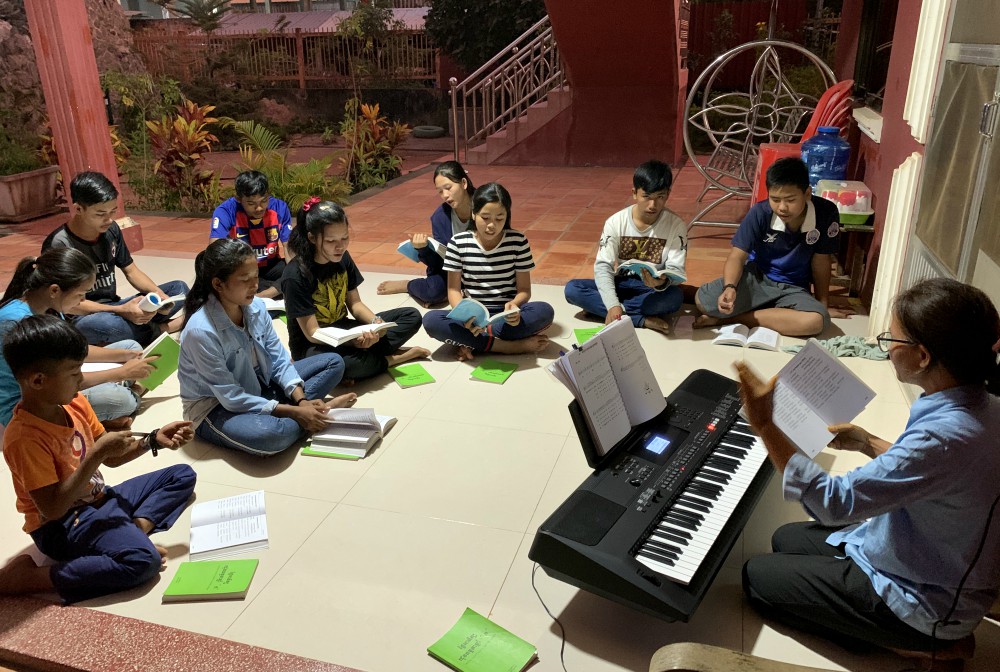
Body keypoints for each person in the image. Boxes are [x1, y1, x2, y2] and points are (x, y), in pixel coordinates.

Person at [736, 278, 1000, 660]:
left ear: (923, 356)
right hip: (928, 553)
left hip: (925, 600)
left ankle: (935, 645)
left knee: (756, 580)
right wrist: (866, 443)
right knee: (785, 540)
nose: (888, 349)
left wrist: (766, 425)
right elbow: (937, 474)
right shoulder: (983, 405)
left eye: (892, 340)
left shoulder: (943, 437)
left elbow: (833, 502)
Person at [0, 314, 196, 604]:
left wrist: (152, 440)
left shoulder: (74, 402)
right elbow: (52, 509)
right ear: (38, 380)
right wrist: (97, 453)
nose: (81, 380)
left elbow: (113, 459)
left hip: (99, 499)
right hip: (62, 525)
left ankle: (129, 536)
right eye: (74, 373)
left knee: (181, 475)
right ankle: (28, 578)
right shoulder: (23, 437)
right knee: (143, 564)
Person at [179, 239, 357, 456]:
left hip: (259, 383)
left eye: (256, 277)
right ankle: (322, 413)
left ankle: (308, 411)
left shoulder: (255, 306)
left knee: (333, 362)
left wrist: (300, 400)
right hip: (215, 407)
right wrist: (294, 411)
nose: (255, 286)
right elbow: (231, 396)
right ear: (218, 284)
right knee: (272, 437)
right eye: (245, 280)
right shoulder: (201, 331)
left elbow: (278, 358)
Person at [0, 248, 159, 432]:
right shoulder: (19, 323)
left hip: (58, 379)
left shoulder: (49, 307)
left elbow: (73, 352)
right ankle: (121, 399)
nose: (82, 300)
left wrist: (127, 354)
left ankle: (112, 403)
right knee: (122, 400)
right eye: (80, 294)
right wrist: (121, 372)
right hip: (27, 405)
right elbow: (57, 382)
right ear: (54, 290)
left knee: (132, 346)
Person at [695, 157, 850, 336]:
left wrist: (823, 305)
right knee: (703, 301)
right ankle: (773, 314)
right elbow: (737, 256)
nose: (782, 207)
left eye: (790, 200)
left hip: (794, 288)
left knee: (817, 321)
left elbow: (821, 261)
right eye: (775, 199)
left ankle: (732, 319)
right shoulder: (760, 213)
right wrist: (730, 287)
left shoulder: (826, 212)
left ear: (807, 193)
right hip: (758, 279)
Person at [281, 199, 428, 381]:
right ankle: (395, 358)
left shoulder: (343, 257)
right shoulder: (295, 274)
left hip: (344, 329)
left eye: (344, 238)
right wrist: (353, 342)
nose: (340, 246)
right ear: (312, 238)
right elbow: (312, 333)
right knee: (342, 364)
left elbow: (356, 304)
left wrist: (376, 324)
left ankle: (369, 357)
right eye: (331, 241)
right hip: (313, 345)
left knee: (411, 316)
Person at [42, 171, 189, 347]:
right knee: (107, 326)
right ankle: (162, 328)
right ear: (79, 209)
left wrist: (159, 296)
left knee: (178, 289)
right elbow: (67, 304)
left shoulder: (111, 230)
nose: (109, 219)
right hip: (81, 317)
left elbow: (131, 270)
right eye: (100, 214)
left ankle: (141, 327)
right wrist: (120, 311)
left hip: (114, 306)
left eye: (113, 211)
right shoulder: (59, 243)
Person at [422, 182, 554, 361]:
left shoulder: (518, 241)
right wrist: (466, 317)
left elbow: (524, 290)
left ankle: (476, 340)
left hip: (504, 317)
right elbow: (453, 290)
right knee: (431, 321)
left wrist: (514, 305)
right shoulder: (458, 243)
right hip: (471, 315)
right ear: (473, 214)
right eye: (485, 217)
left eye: (499, 218)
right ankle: (507, 347)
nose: (492, 225)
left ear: (507, 216)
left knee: (544, 311)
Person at [564, 160, 686, 334]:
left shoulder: (676, 225)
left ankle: (613, 313)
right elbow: (603, 266)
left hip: (651, 290)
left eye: (660, 197)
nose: (653, 205)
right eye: (647, 197)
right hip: (621, 283)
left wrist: (662, 282)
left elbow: (677, 269)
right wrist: (613, 303)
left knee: (675, 298)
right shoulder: (616, 222)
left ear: (668, 194)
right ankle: (639, 319)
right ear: (635, 193)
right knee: (573, 289)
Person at [376, 161, 475, 306]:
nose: (445, 196)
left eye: (448, 188)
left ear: (464, 183)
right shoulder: (440, 217)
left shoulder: (484, 206)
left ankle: (458, 291)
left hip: (484, 268)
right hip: (453, 272)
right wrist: (422, 248)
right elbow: (439, 262)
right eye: (440, 191)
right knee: (433, 292)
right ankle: (408, 285)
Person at [210, 170, 293, 299]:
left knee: (297, 270)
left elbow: (289, 247)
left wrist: (295, 274)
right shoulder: (226, 211)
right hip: (242, 268)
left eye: (264, 201)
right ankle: (275, 290)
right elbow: (215, 249)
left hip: (271, 265)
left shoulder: (280, 208)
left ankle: (263, 295)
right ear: (238, 199)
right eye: (251, 203)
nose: (259, 208)